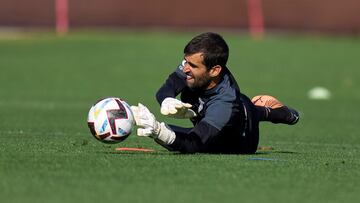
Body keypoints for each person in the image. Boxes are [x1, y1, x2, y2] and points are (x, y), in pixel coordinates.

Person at [130, 32, 299, 154]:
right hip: (218, 106)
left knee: (257, 111)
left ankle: (286, 114)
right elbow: (169, 86)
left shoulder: (225, 104)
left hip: (239, 139)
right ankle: (200, 110)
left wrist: (160, 132)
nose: (185, 69)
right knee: (191, 95)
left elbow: (194, 144)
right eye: (185, 61)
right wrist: (167, 100)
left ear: (214, 70)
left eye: (193, 66)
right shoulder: (193, 67)